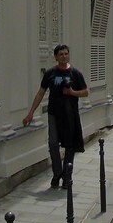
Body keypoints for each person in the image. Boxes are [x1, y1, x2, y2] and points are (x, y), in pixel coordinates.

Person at [23, 44, 89, 188]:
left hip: (70, 114)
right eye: (61, 54)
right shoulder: (50, 73)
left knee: (69, 145)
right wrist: (30, 113)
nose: (64, 56)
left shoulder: (75, 73)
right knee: (53, 143)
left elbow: (85, 92)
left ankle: (67, 176)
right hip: (54, 114)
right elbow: (40, 93)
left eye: (66, 54)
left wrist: (72, 93)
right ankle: (57, 173)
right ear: (56, 57)